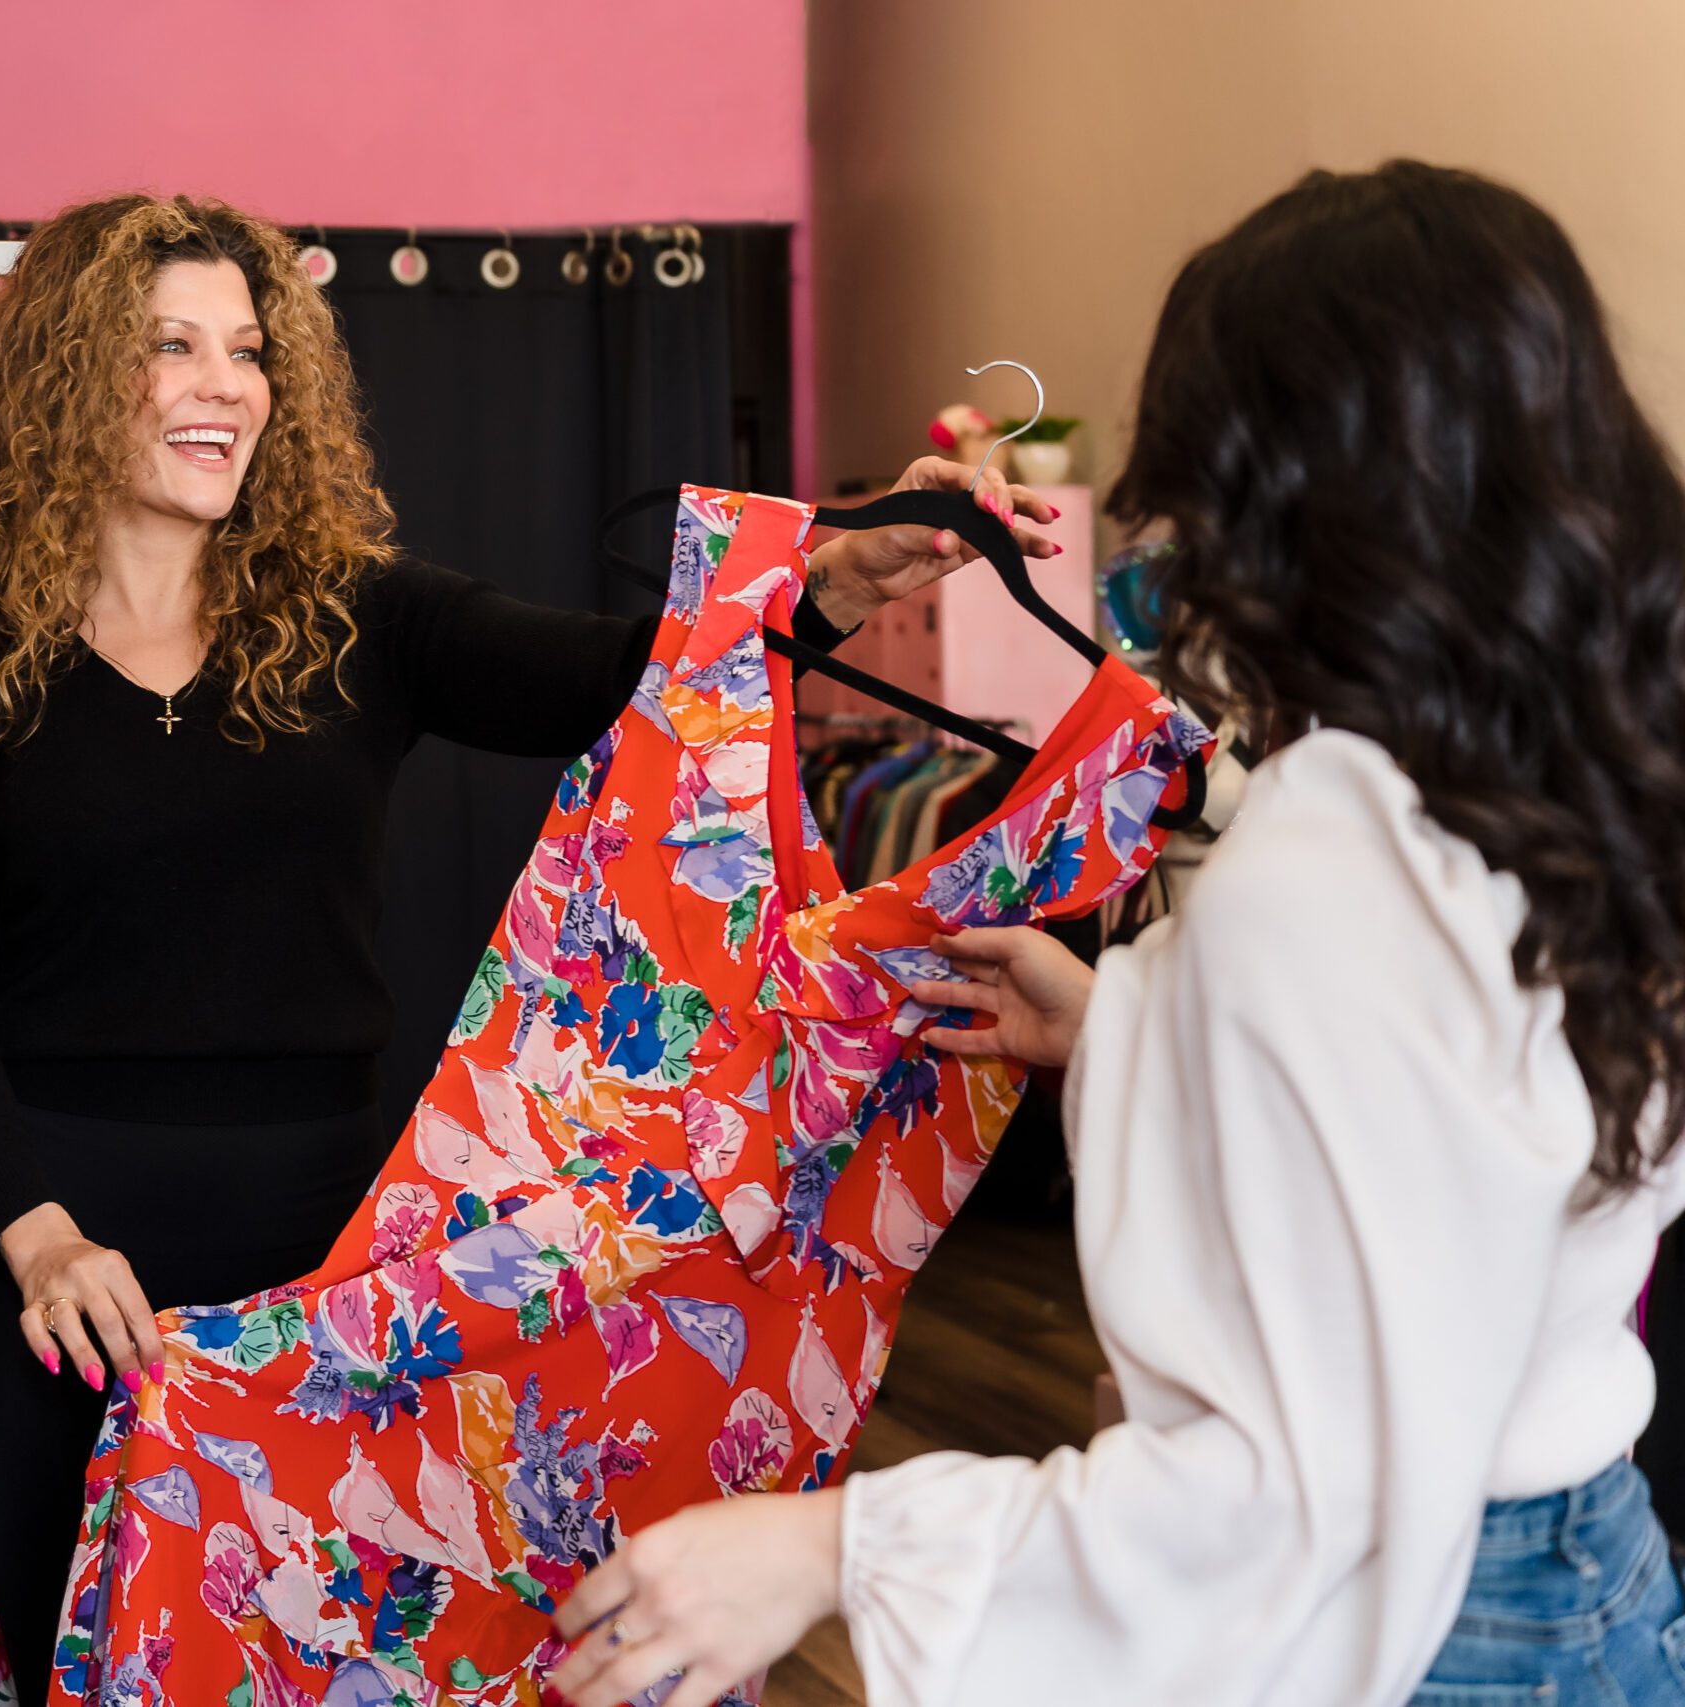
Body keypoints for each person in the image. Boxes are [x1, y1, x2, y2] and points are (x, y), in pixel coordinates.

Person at [0, 193, 1063, 1707]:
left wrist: (823, 578)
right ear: (66, 374)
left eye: (246, 349)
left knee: (327, 1661)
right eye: (170, 346)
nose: (224, 383)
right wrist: (37, 1237)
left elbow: (625, 680)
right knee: (92, 1667)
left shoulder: (352, 618)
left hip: (326, 1264)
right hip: (63, 1284)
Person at [545, 161, 1685, 1707]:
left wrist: (828, 1549)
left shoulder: (1329, 857)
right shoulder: (1578, 788)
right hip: (1602, 1570)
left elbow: (1286, 1500)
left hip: (1424, 1632)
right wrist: (1125, 1031)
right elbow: (1458, 1145)